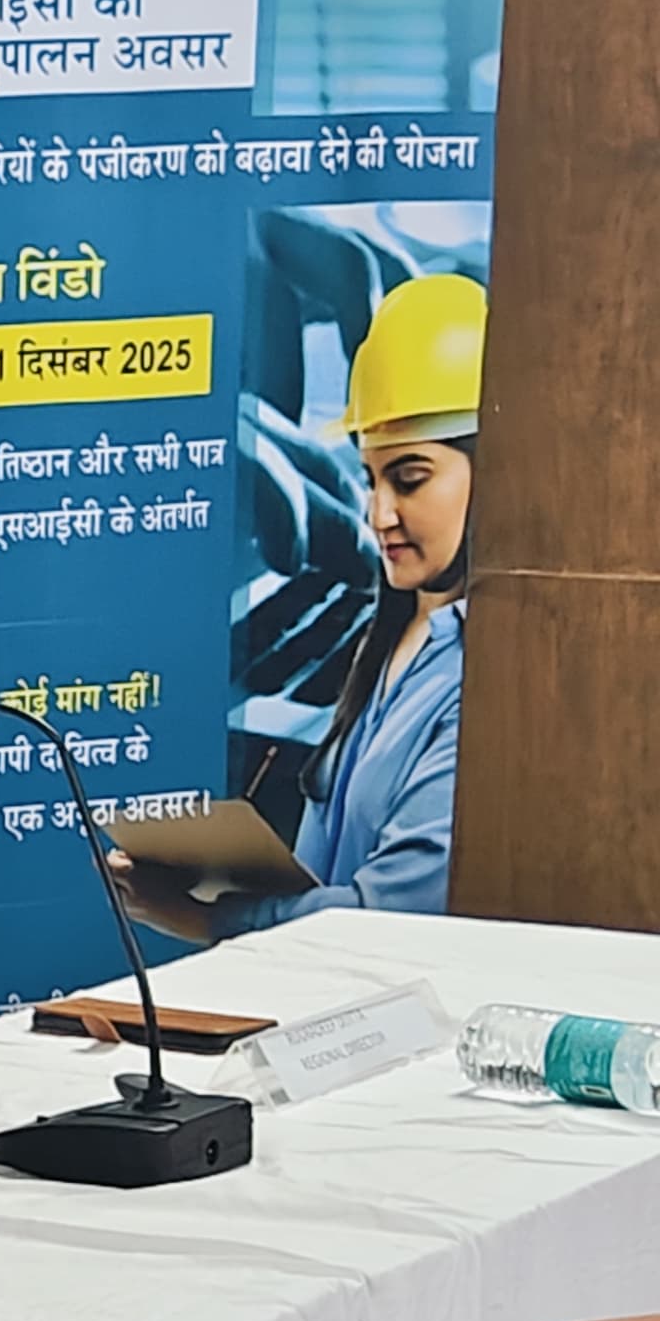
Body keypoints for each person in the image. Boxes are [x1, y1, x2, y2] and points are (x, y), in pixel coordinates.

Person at [118, 270, 481, 941]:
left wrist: (210, 918)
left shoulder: (491, 684)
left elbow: (392, 914)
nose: (379, 514)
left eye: (409, 480)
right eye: (371, 479)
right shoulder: (393, 637)